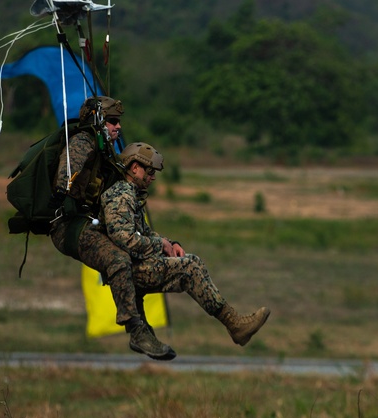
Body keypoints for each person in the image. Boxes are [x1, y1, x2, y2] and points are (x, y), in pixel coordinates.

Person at [101, 142, 270, 355]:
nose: (152, 177)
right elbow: (123, 238)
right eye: (149, 171)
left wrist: (170, 244)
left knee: (193, 261)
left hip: (136, 265)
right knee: (189, 267)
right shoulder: (121, 195)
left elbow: (143, 234)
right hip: (127, 272)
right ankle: (234, 324)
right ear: (134, 168)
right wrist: (158, 245)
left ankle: (234, 324)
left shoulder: (130, 194)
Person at [49, 96, 176, 360]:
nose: (118, 128)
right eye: (112, 122)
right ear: (97, 120)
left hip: (89, 223)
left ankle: (142, 328)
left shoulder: (105, 151)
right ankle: (135, 330)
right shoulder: (83, 143)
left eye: (118, 122)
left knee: (132, 252)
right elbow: (66, 173)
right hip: (68, 226)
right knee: (117, 259)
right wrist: (65, 191)